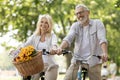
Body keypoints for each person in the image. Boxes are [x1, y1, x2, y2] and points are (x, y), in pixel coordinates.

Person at [57, 4, 108, 80]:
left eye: (81, 12)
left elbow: (102, 39)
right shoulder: (75, 26)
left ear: (88, 12)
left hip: (93, 60)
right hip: (77, 60)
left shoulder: (97, 23)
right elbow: (68, 38)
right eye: (77, 13)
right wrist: (60, 48)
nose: (79, 15)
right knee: (67, 78)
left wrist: (104, 52)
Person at [21, 14, 59, 80]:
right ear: (39, 23)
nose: (43, 24)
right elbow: (25, 45)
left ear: (49, 25)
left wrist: (54, 49)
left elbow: (54, 44)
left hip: (49, 65)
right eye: (42, 22)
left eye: (46, 22)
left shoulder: (52, 35)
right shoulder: (35, 36)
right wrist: (18, 49)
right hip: (37, 65)